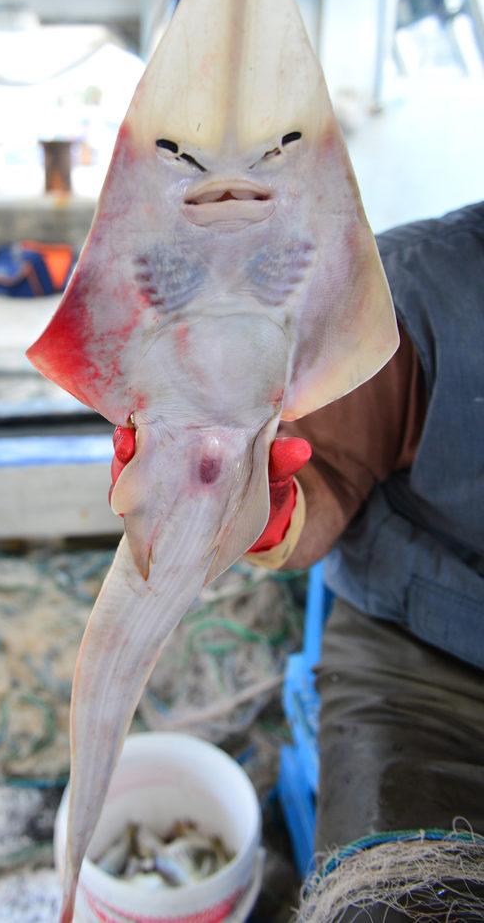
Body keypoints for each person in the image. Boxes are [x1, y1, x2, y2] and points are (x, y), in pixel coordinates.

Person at [112, 200, 484, 916]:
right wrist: (263, 506)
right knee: (394, 902)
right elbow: (327, 472)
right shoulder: (409, 285)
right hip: (425, 650)